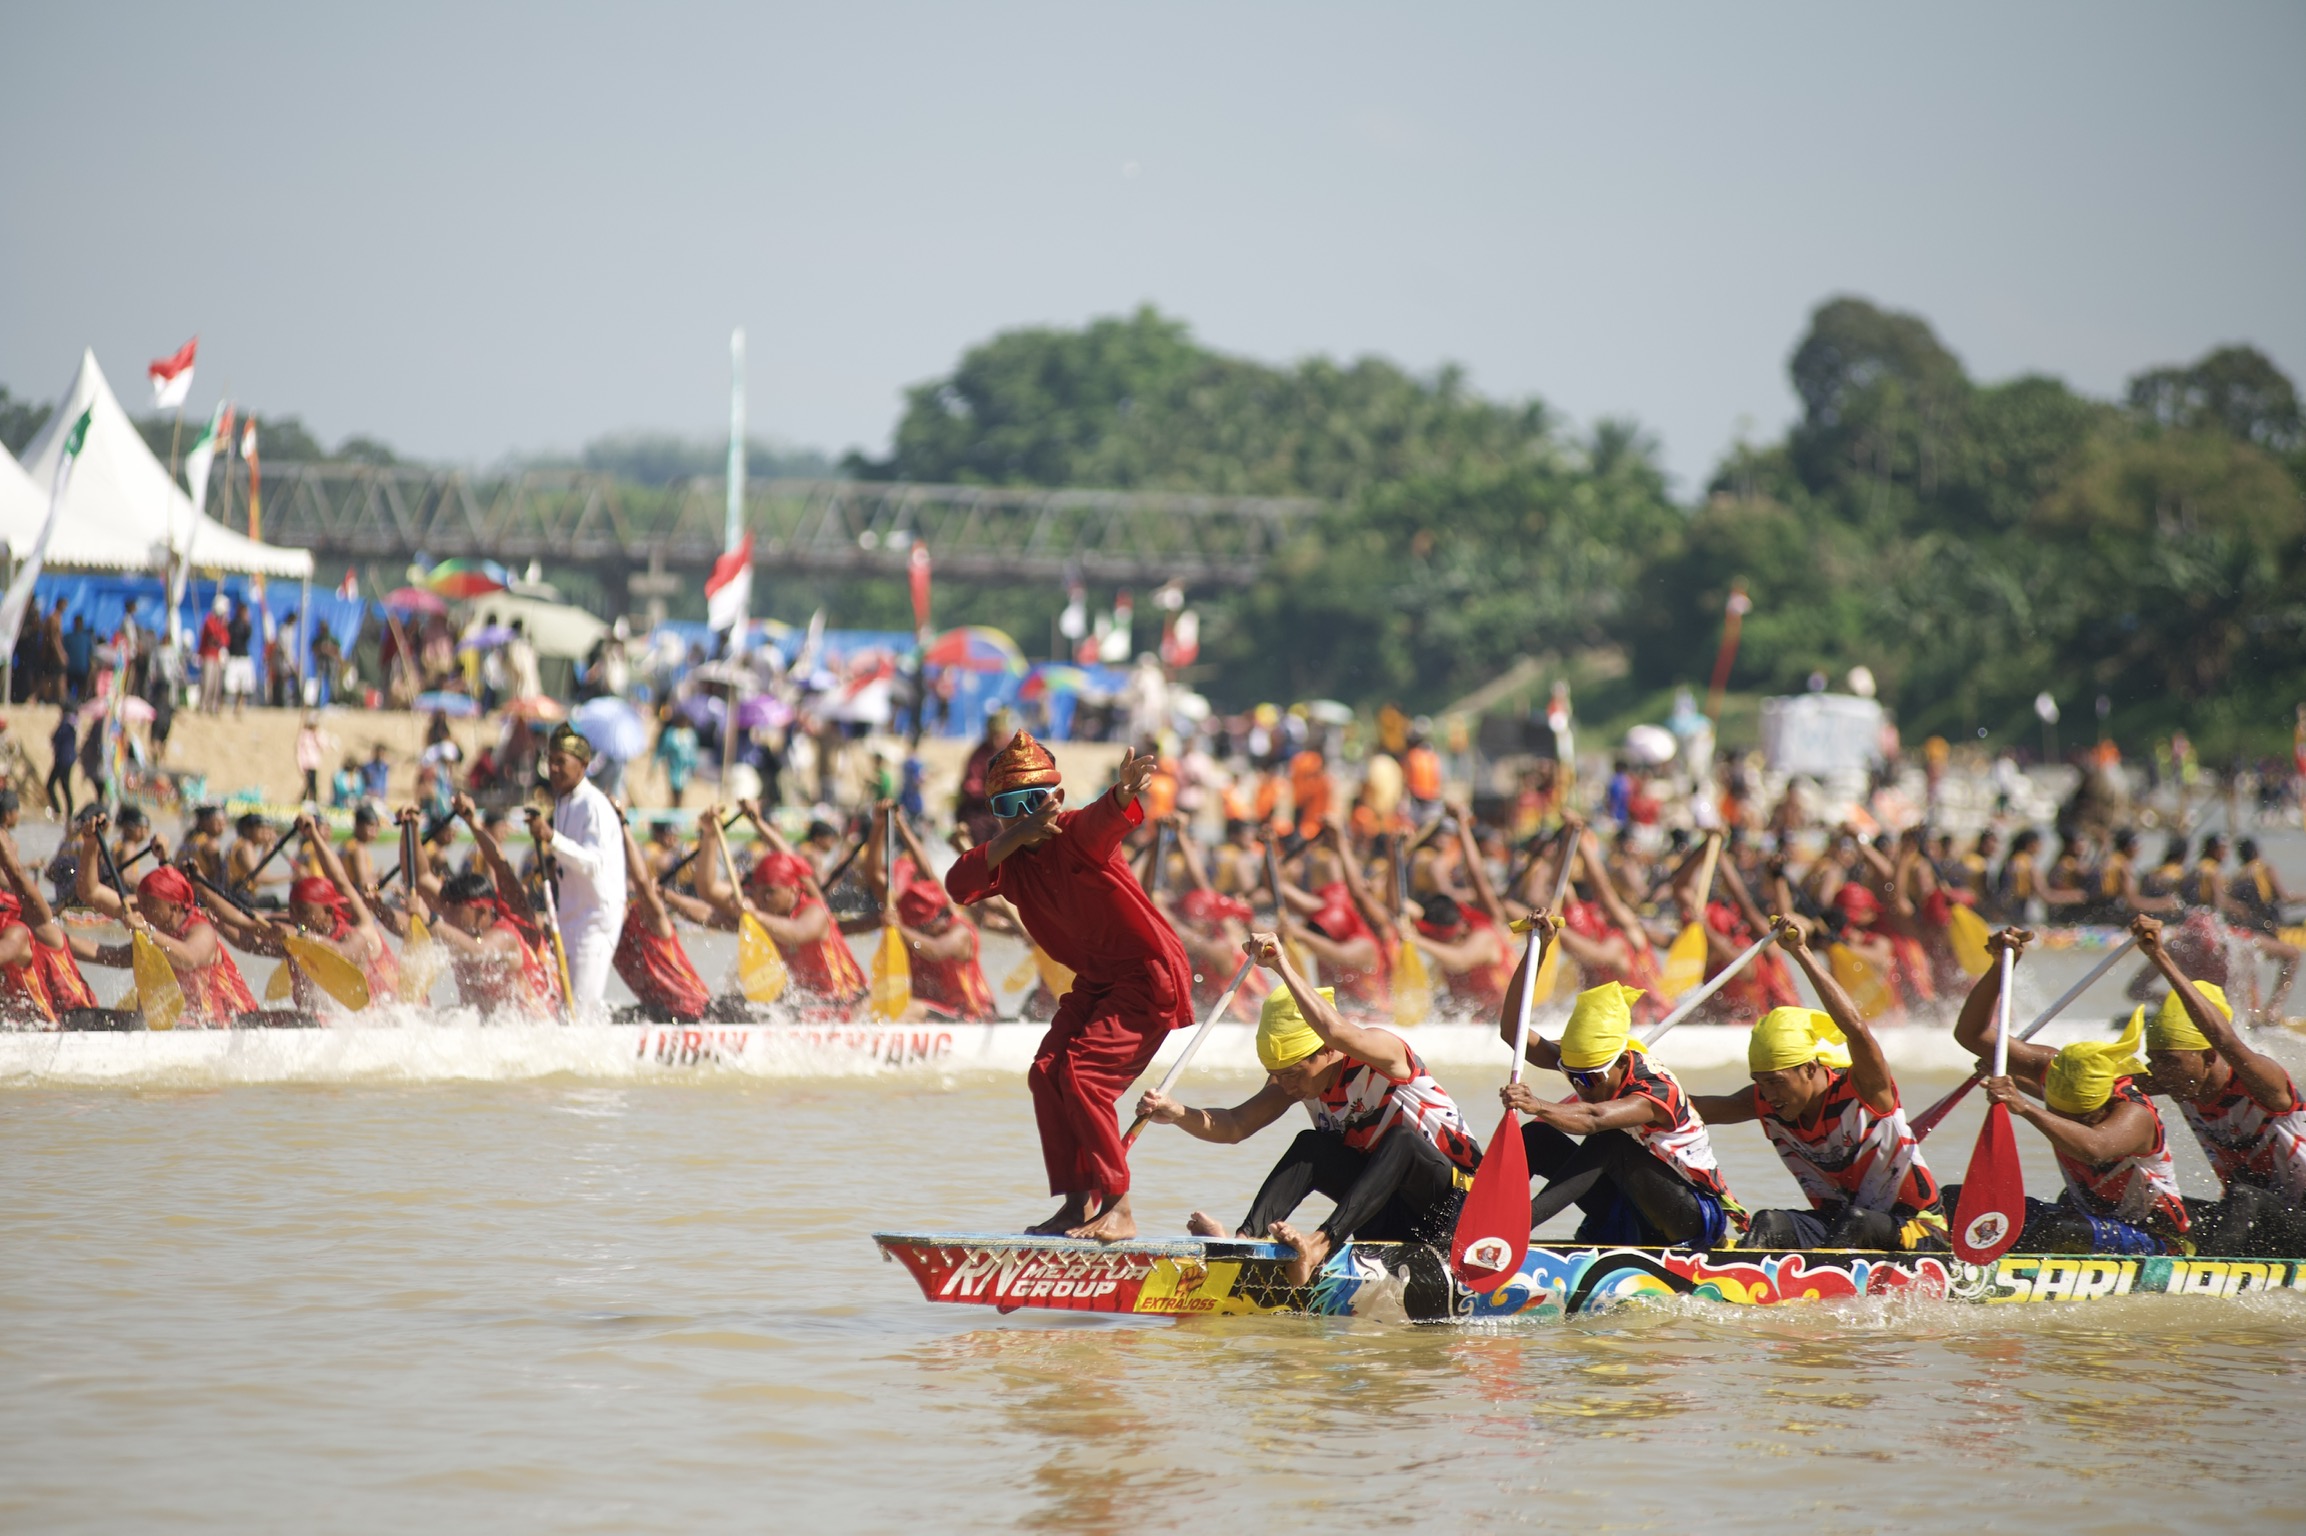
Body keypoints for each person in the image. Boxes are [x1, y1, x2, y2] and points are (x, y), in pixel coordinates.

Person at [944, 731, 1194, 1241]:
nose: (1025, 815)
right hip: (1097, 981)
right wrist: (1016, 833)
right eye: (1008, 807)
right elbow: (957, 885)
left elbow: (1106, 818)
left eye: (1034, 801)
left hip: (1147, 974)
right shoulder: (1007, 861)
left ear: (1056, 800)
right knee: (1045, 1073)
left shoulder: (1078, 832)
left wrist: (1123, 793)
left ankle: (1119, 1207)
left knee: (1083, 1076)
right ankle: (1078, 1205)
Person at [1136, 933, 1480, 1286]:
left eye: (1292, 1074)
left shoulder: (1383, 1054)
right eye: (1277, 1076)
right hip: (1383, 1214)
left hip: (1453, 1209)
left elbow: (1335, 1030)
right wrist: (1178, 1113)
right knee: (1310, 1146)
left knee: (1402, 1140)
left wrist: (1281, 966)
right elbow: (1235, 1125)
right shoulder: (1298, 1082)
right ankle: (1245, 1242)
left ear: (1327, 1051)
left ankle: (1319, 1245)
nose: (1286, 1086)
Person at [1688, 920, 1948, 1251]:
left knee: (1856, 1222)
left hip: (1918, 1230)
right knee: (1768, 1222)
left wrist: (1801, 953)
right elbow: (1681, 1107)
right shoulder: (1767, 1102)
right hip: (1837, 1225)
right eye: (1760, 1083)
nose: (1768, 1094)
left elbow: (1856, 1029)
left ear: (1811, 1068)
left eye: (1776, 1082)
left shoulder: (1865, 1089)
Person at [1953, 928, 2190, 1255]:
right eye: (2057, 1108)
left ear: (2103, 1105)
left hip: (2152, 1237)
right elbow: (1971, 1034)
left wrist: (2023, 1106)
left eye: (2077, 1117)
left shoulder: (2134, 1114)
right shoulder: (2055, 1066)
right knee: (1957, 1200)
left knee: (2058, 1230)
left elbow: (2093, 1148)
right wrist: (2000, 965)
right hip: (2086, 1216)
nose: (2062, 1118)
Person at [1499, 937, 1745, 1248]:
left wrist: (1538, 1105)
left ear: (1622, 1061)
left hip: (1690, 1217)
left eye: (1590, 1079)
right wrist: (1539, 950)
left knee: (1610, 1140)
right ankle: (1475, 1219)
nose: (1581, 1087)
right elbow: (1513, 1031)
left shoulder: (1657, 1089)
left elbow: (1593, 1118)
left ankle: (1508, 1234)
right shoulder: (1586, 1065)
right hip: (1632, 1201)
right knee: (1535, 1138)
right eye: (1573, 1077)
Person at [2133, 916, 2306, 1256]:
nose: (2159, 1073)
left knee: (2244, 1197)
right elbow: (2079, 1079)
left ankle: (2199, 1279)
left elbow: (2225, 1038)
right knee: (2152, 1205)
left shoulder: (2263, 1082)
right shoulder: (2182, 1081)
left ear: (2208, 1056)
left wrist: (2159, 957)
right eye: (2155, 1061)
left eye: (2170, 1062)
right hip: (2258, 1221)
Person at [74, 842, 258, 1028]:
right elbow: (90, 893)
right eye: (140, 904)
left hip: (228, 1023)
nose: (141, 910)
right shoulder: (154, 921)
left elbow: (189, 959)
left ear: (175, 908)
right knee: (81, 1018)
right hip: (178, 1021)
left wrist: (147, 930)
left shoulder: (202, 930)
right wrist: (90, 843)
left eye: (148, 906)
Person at [410, 798, 558, 1019]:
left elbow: (477, 952)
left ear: (480, 911)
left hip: (535, 1026)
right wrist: (409, 828)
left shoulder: (504, 934)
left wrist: (472, 823)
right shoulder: (462, 918)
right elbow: (421, 879)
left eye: (453, 910)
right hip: (490, 1024)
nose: (448, 914)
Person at [527, 725, 625, 1019]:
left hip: (595, 919)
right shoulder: (563, 803)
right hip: (569, 915)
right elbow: (571, 858)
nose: (553, 769)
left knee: (580, 1011)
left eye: (561, 762)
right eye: (551, 761)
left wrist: (551, 838)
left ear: (583, 764)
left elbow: (594, 863)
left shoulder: (595, 805)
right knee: (562, 1008)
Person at [611, 815, 712, 1023]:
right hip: (658, 1013)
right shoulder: (604, 937)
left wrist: (623, 825)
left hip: (696, 1013)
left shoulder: (651, 922)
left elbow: (641, 882)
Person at [295, 712, 336, 805]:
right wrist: (301, 764)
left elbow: (322, 745)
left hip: (314, 763)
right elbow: (300, 751)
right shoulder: (304, 735)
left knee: (311, 783)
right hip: (307, 763)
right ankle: (310, 800)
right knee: (310, 784)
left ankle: (309, 800)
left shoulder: (316, 735)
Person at [44, 711, 75, 821]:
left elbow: (55, 738)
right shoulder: (73, 726)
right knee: (65, 786)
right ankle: (69, 813)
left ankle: (58, 811)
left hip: (61, 760)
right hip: (69, 760)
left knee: (50, 784)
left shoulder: (64, 726)